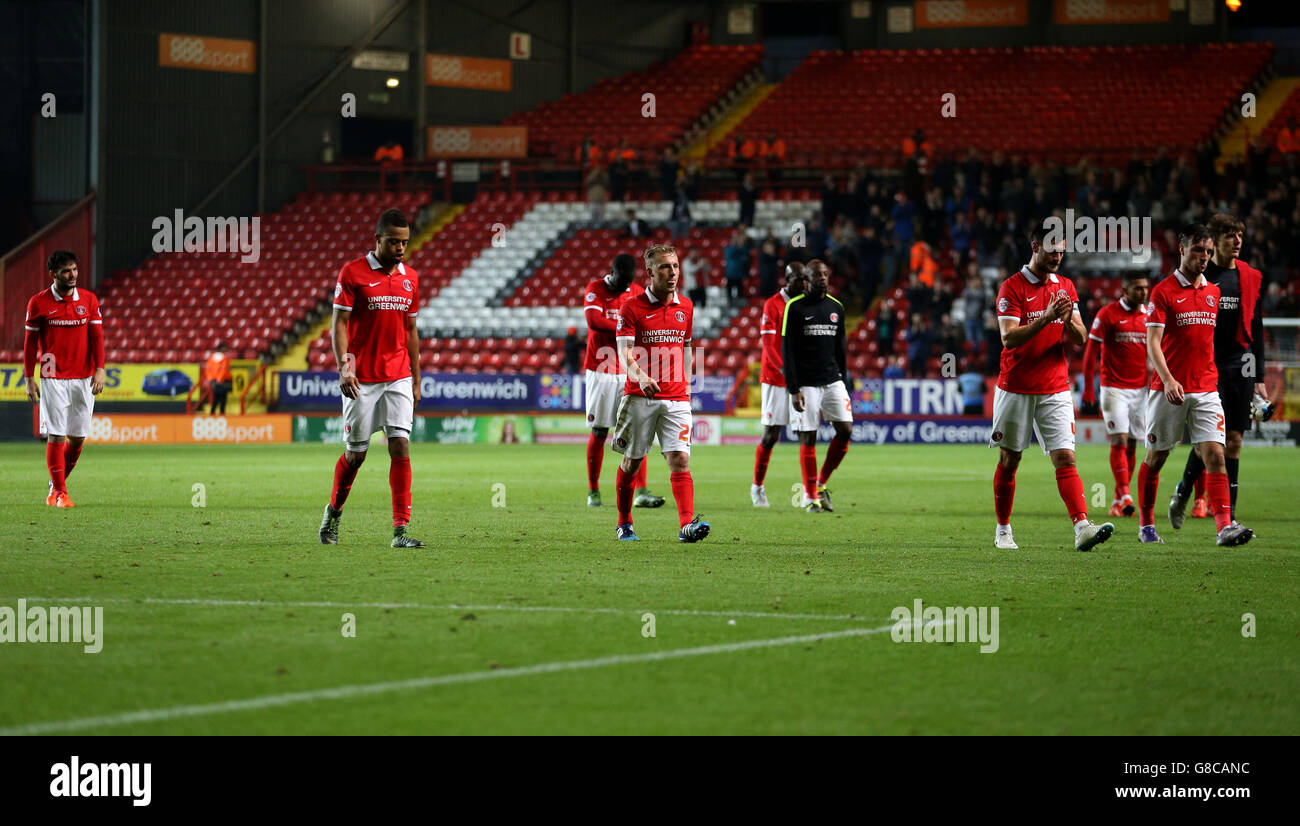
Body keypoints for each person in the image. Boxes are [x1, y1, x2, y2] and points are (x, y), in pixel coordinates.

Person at [989, 220, 1113, 552]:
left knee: (1065, 457)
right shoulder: (1012, 287)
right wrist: (1045, 317)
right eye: (1052, 248)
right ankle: (1003, 529)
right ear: (1035, 247)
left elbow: (1081, 337)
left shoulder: (1066, 287)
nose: (1058, 254)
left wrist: (1069, 315)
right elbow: (1008, 338)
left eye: (1062, 249)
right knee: (1010, 460)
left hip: (1055, 385)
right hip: (1016, 386)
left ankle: (1082, 527)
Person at [1137, 223, 1252, 546]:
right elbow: (1153, 342)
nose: (1204, 257)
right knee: (1156, 457)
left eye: (1208, 251)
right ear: (1182, 250)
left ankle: (1224, 527)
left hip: (1205, 387)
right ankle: (1146, 525)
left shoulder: (1214, 292)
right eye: (1198, 250)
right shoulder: (1162, 292)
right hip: (1168, 390)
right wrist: (1170, 379)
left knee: (1216, 453)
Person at [319, 208, 426, 549]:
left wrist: (416, 377)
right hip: (361, 377)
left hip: (398, 374)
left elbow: (411, 330)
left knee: (400, 443)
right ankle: (333, 513)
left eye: (405, 243)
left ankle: (400, 531)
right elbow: (338, 324)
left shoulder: (411, 278)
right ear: (378, 239)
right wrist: (344, 367)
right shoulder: (353, 272)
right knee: (357, 454)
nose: (400, 248)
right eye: (394, 242)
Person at [1170, 214, 1267, 526]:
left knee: (1235, 440)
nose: (1237, 240)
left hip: (1241, 366)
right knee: (1212, 442)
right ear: (1213, 241)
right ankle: (1185, 490)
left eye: (1239, 234)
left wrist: (1260, 377)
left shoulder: (1249, 277)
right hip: (1207, 368)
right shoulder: (1202, 274)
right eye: (1229, 235)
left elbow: (1256, 328)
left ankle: (1229, 514)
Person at [611, 243, 709, 543]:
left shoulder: (687, 307)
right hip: (640, 397)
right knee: (632, 462)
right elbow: (623, 354)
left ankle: (685, 526)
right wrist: (640, 378)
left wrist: (687, 379)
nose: (672, 272)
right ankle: (624, 522)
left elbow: (687, 345)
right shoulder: (632, 307)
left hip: (677, 397)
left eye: (676, 266)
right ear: (650, 271)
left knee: (680, 459)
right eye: (665, 267)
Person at [582, 253, 666, 509]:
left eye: (629, 281)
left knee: (639, 430)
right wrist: (626, 325)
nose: (625, 286)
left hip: (629, 369)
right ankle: (594, 491)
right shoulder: (595, 289)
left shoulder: (636, 290)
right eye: (621, 280)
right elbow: (594, 322)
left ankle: (640, 491)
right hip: (601, 368)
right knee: (600, 431)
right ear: (612, 272)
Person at [24, 250, 106, 508]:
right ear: (53, 274)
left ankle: (54, 485)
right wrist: (29, 377)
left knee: (78, 438)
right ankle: (61, 493)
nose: (72, 275)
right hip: (53, 376)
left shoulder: (90, 300)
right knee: (56, 435)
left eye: (74, 269)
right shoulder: (38, 303)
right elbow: (30, 344)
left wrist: (101, 369)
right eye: (66, 271)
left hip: (83, 377)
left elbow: (97, 337)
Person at [782, 260, 851, 514]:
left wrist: (844, 375)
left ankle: (821, 484)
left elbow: (840, 346)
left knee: (845, 430)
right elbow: (787, 351)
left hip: (832, 379)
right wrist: (793, 387)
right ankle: (810, 497)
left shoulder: (836, 307)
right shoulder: (795, 307)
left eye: (825, 273)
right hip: (806, 383)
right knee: (808, 436)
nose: (823, 278)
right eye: (817, 275)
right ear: (806, 280)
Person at [1080, 273, 1150, 517]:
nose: (1143, 292)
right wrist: (1089, 387)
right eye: (1138, 288)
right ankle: (1126, 494)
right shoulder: (1107, 314)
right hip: (1113, 388)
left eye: (1145, 288)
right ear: (1125, 289)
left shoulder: (1149, 315)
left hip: (1141, 390)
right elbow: (1090, 353)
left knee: (1132, 443)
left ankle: (1119, 500)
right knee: (1119, 440)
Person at [751, 262, 808, 507]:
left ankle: (810, 492)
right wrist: (786, 370)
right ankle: (757, 487)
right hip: (776, 378)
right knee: (771, 435)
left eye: (805, 279)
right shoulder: (772, 304)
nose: (803, 284)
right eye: (798, 280)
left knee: (807, 433)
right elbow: (769, 346)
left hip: (802, 378)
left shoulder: (806, 303)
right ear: (787, 280)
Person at [201, 342, 233, 415]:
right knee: (222, 401)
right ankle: (222, 416)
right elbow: (224, 370)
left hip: (215, 382)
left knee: (215, 400)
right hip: (222, 382)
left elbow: (208, 370)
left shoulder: (212, 358)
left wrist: (211, 380)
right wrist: (219, 380)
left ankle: (212, 415)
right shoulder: (225, 359)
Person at [724, 230, 750, 302]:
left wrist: (740, 246)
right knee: (729, 295)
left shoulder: (743, 249)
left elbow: (746, 255)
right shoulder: (728, 249)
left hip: (739, 275)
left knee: (740, 294)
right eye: (734, 239)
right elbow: (731, 254)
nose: (735, 241)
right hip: (730, 274)